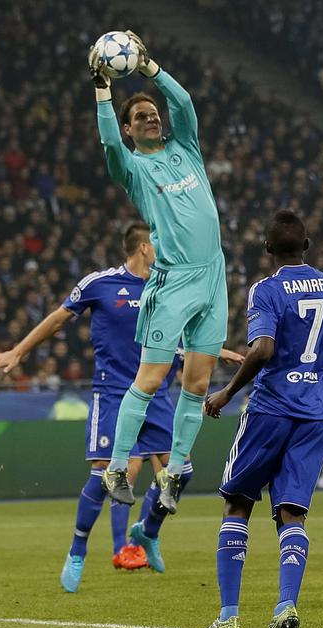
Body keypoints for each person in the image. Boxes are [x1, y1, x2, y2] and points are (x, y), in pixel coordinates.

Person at [0, 224, 233, 590]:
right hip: (113, 393)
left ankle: (147, 531)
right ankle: (78, 550)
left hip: (157, 393)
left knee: (183, 471)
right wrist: (18, 351)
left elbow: (182, 334)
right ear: (145, 248)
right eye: (158, 244)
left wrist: (211, 348)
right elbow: (57, 318)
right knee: (103, 475)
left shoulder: (166, 285)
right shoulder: (99, 284)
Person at [197, 210, 323, 628]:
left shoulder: (267, 289)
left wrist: (227, 393)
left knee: (237, 503)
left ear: (268, 250)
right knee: (291, 513)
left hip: (271, 410)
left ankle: (228, 617)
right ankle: (285, 606)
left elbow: (263, 348)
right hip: (314, 415)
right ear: (307, 245)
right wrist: (315, 362)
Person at [89, 31, 228, 514]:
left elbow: (184, 102)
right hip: (173, 280)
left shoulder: (184, 147)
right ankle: (116, 468)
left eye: (152, 114)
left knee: (197, 383)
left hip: (214, 275)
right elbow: (107, 137)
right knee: (149, 381)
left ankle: (172, 475)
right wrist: (104, 89)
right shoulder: (130, 167)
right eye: (139, 117)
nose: (150, 118)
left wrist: (148, 68)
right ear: (129, 130)